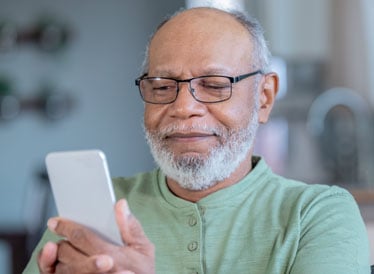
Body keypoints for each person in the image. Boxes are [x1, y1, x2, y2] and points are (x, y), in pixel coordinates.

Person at [23, 6, 370, 274]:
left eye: (216, 85)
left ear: (263, 98)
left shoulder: (318, 214)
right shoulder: (100, 212)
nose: (184, 107)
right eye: (161, 86)